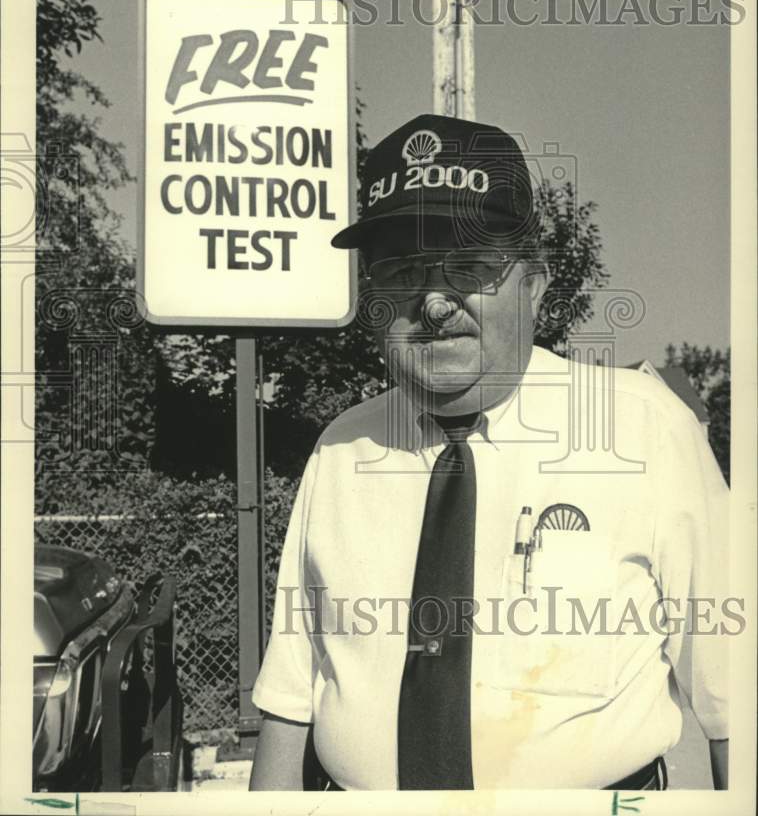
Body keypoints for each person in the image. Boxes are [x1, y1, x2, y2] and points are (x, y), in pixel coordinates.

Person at [249, 114, 729, 791]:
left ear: (534, 285)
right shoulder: (339, 452)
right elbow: (292, 700)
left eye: (471, 267)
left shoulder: (647, 434)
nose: (436, 303)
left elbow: (735, 701)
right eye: (403, 271)